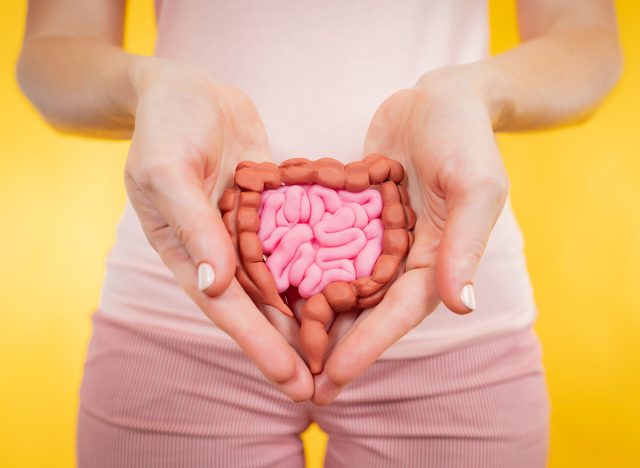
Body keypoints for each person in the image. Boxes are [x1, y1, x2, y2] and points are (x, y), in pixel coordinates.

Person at [17, 1, 621, 467]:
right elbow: (53, 50)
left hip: (445, 312)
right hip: (182, 310)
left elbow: (586, 37)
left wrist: (476, 94)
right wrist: (149, 87)